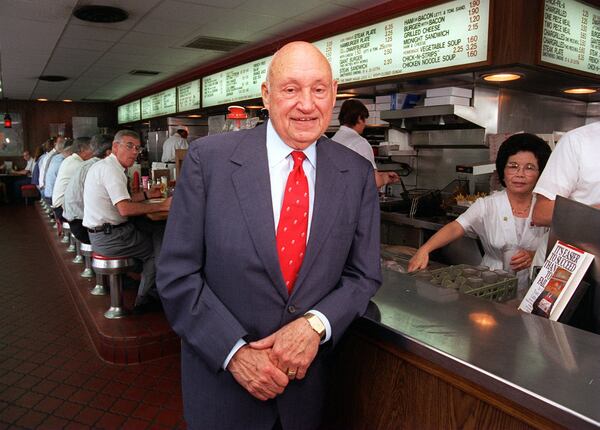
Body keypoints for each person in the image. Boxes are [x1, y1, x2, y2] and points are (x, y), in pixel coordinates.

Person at [157, 41, 381, 430]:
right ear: (266, 94)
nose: (306, 104)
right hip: (223, 390)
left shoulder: (356, 173)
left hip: (306, 396)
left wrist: (315, 324)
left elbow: (363, 275)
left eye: (318, 89)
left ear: (334, 92)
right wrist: (236, 354)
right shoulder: (208, 161)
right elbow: (178, 275)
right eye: (291, 89)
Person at [408, 133, 552, 291]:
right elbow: (456, 227)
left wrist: (535, 255)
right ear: (503, 170)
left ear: (541, 173)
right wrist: (425, 249)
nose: (520, 174)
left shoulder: (547, 207)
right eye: (513, 166)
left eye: (529, 168)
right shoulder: (488, 205)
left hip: (534, 286)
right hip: (490, 284)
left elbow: (559, 245)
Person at [83, 130, 171, 313]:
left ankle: (143, 283)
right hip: (110, 236)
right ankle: (145, 299)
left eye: (137, 148)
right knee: (158, 251)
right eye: (129, 146)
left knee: (154, 231)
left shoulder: (106, 166)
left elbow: (125, 199)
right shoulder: (111, 170)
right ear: (115, 147)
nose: (134, 152)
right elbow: (125, 208)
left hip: (101, 234)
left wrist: (148, 194)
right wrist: (163, 205)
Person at [332, 99, 400, 188]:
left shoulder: (333, 140)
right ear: (360, 118)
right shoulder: (360, 143)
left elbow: (350, 174)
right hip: (352, 200)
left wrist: (382, 174)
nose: (365, 124)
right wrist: (386, 178)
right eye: (365, 119)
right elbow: (374, 182)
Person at [63, 134, 113, 244]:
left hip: (75, 220)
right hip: (82, 226)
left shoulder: (88, 164)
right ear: (109, 152)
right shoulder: (99, 167)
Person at [52, 137, 94, 221]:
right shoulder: (79, 165)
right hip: (63, 208)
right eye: (92, 148)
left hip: (59, 206)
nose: (94, 152)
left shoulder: (70, 160)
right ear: (82, 149)